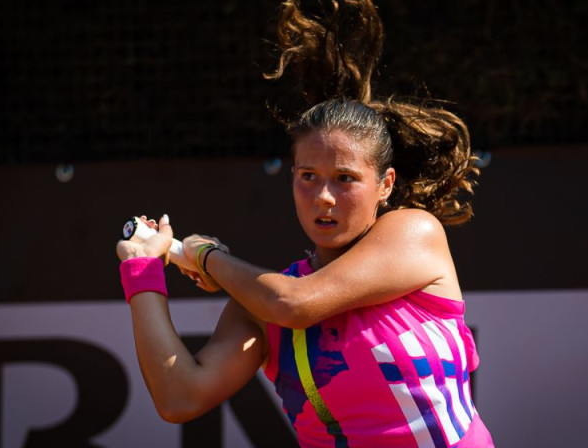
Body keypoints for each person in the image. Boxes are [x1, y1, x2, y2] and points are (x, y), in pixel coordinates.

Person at [115, 1, 495, 446]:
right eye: (308, 177)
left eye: (346, 179)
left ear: (386, 184)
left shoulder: (415, 232)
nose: (324, 197)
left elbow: (295, 305)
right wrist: (142, 272)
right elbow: (180, 397)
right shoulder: (260, 301)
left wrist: (206, 256)